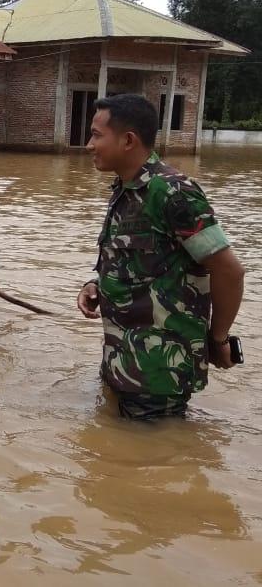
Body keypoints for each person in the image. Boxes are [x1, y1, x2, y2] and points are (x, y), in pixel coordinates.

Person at [77, 94, 244, 419]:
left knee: (148, 464)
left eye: (97, 135)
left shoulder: (173, 193)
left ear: (128, 140)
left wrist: (219, 338)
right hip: (122, 361)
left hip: (157, 373)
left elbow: (229, 272)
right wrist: (96, 285)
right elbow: (138, 263)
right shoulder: (126, 190)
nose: (88, 144)